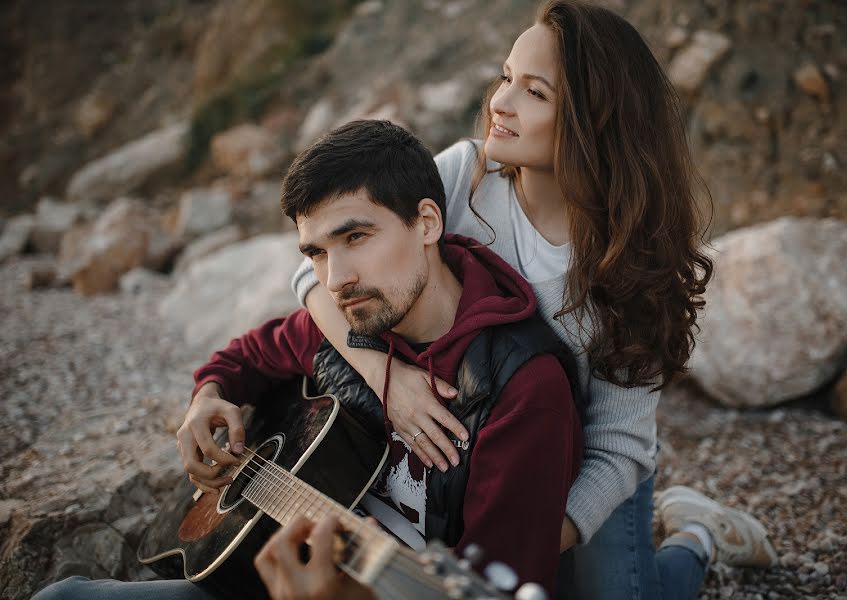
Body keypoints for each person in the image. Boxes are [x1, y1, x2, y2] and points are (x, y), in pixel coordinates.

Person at [290, 1, 778, 599]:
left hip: (583, 469)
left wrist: (517, 540)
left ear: (596, 121)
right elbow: (313, 283)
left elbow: (618, 449)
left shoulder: (636, 261)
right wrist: (385, 379)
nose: (500, 102)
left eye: (535, 92)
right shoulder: (461, 180)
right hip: (467, 457)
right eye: (505, 77)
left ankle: (697, 535)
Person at [33, 119, 582, 600]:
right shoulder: (355, 322)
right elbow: (246, 356)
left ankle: (675, 548)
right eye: (316, 252)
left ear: (428, 224)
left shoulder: (522, 389)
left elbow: (496, 587)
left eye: (356, 237)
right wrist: (205, 399)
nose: (335, 280)